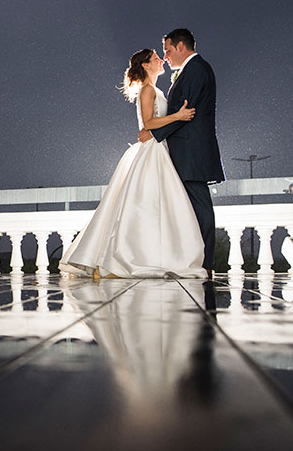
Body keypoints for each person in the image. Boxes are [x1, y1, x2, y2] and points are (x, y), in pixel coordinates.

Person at [60, 47, 207, 278]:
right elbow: (148, 123)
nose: (162, 60)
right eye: (157, 58)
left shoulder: (155, 90)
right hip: (152, 151)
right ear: (147, 65)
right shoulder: (147, 90)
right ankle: (124, 259)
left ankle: (149, 256)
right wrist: (178, 116)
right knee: (146, 205)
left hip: (159, 148)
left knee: (157, 207)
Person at [138, 28, 225, 278]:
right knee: (188, 209)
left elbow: (188, 113)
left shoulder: (197, 69)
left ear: (180, 46)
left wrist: (154, 133)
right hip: (183, 152)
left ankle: (205, 263)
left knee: (201, 208)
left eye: (166, 50)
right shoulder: (189, 71)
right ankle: (190, 259)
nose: (165, 56)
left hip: (192, 153)